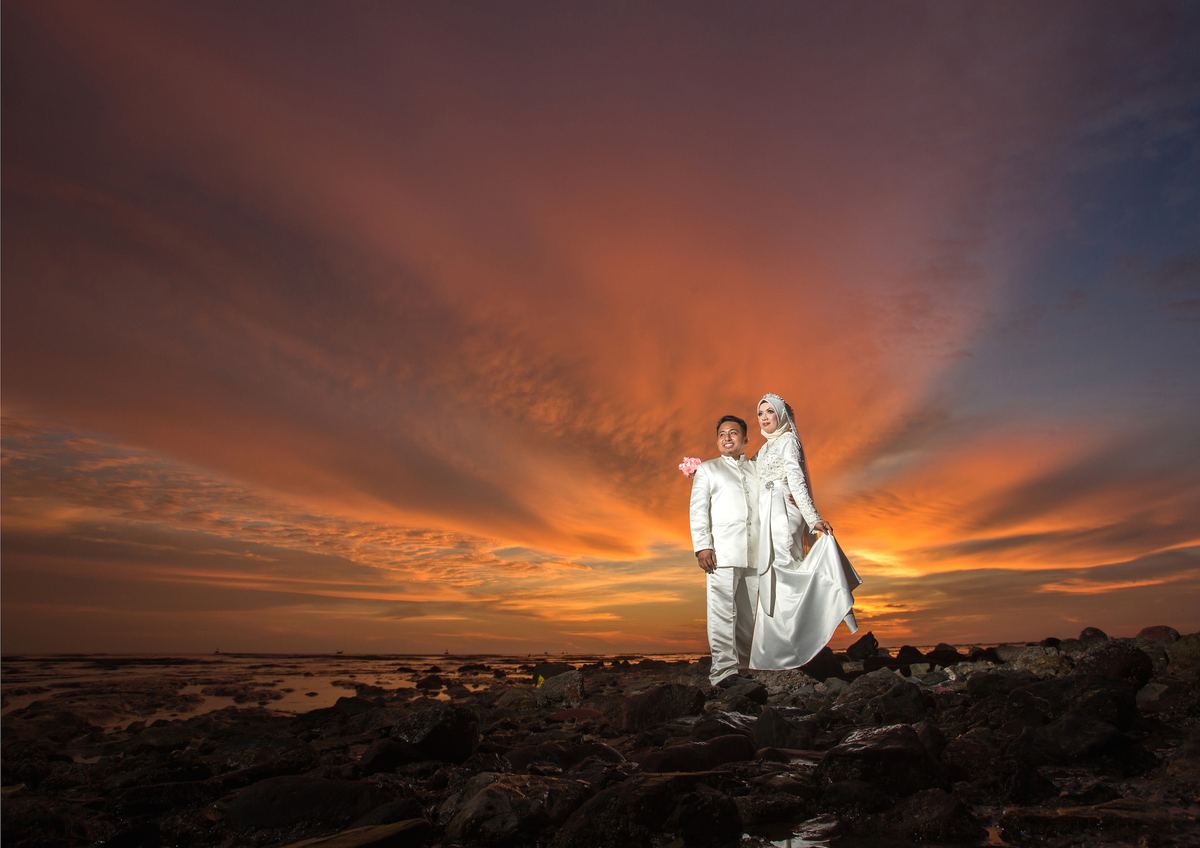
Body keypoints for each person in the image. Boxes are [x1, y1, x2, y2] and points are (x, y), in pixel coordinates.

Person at [750, 392, 862, 670]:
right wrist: (705, 471)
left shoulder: (789, 441)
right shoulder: (763, 449)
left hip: (782, 512)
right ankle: (776, 649)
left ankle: (794, 645)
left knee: (783, 569)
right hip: (765, 514)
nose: (764, 418)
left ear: (781, 415)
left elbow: (797, 481)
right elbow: (746, 474)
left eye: (770, 412)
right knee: (769, 573)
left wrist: (813, 519)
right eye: (760, 413)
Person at [688, 414, 760, 687]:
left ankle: (745, 666)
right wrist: (702, 546)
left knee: (750, 615)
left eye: (733, 433)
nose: (727, 438)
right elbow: (698, 510)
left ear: (745, 438)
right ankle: (722, 672)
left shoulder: (756, 469)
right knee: (722, 612)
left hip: (755, 552)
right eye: (722, 434)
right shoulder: (708, 469)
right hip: (721, 553)